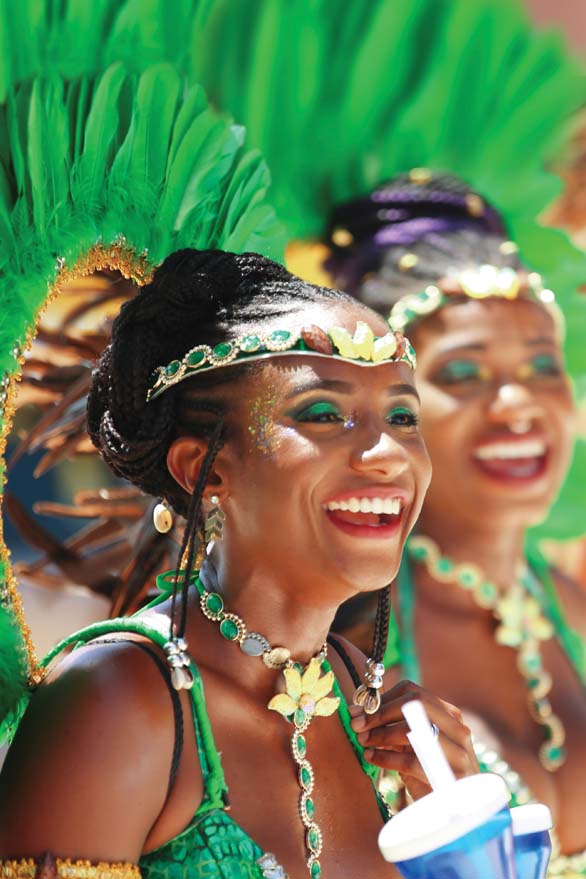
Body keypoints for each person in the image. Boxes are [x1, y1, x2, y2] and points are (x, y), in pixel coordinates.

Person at [0, 248, 477, 878]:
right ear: (206, 470)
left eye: (401, 416)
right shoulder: (118, 702)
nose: (387, 453)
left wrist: (460, 833)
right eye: (324, 415)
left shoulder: (367, 699)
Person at [326, 171, 586, 869]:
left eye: (542, 365)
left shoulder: (574, 609)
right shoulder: (345, 637)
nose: (517, 405)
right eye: (464, 373)